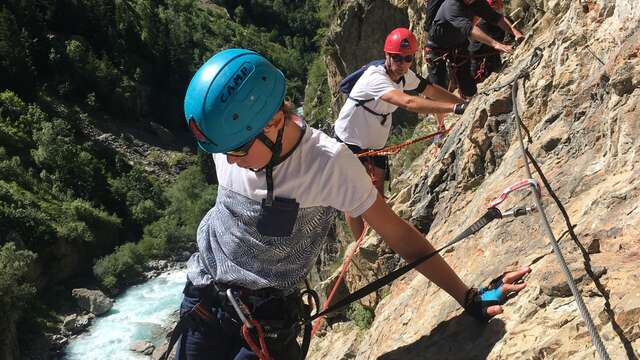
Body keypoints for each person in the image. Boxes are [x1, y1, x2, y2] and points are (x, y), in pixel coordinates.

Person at [175, 48, 531, 360]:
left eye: (236, 151)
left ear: (274, 122)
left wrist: (467, 296)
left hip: (262, 320)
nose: (229, 161)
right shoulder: (232, 138)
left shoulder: (328, 165)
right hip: (204, 297)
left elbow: (398, 234)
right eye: (223, 152)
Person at [334, 27, 468, 240]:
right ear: (386, 55)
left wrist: (463, 103)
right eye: (397, 58)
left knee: (376, 191)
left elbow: (430, 90)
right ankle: (360, 246)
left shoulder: (405, 76)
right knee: (354, 198)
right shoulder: (375, 78)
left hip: (374, 145)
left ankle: (379, 237)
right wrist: (454, 109)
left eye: (408, 59)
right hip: (350, 141)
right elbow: (408, 102)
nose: (402, 64)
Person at [425, 0, 524, 98]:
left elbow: (496, 18)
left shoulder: (477, 3)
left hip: (459, 45)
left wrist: (515, 32)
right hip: (437, 49)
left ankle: (466, 102)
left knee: (469, 89)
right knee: (439, 90)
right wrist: (495, 44)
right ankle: (441, 111)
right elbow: (470, 29)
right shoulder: (452, 6)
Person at [468, 0, 508, 83]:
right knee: (476, 81)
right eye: (497, 4)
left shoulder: (497, 20)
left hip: (490, 52)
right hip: (480, 58)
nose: (501, 6)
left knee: (497, 69)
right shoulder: (484, 23)